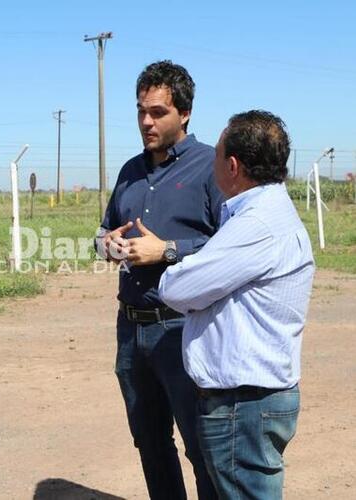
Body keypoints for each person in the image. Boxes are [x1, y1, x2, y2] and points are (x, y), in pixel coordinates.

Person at [159, 110, 315, 499]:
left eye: (216, 154)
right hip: (251, 402)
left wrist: (170, 258)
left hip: (242, 406)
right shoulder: (266, 216)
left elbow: (178, 288)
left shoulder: (256, 226)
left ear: (232, 165)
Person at [98, 60, 222, 499]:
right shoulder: (130, 170)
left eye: (157, 112)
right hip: (130, 328)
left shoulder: (212, 167)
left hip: (182, 328)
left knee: (201, 446)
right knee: (149, 442)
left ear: (184, 112)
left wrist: (167, 250)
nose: (146, 122)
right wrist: (105, 245)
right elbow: (102, 231)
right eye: (140, 112)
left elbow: (235, 249)